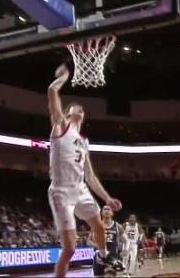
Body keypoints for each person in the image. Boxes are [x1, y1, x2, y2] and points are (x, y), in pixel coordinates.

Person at [47, 64, 123, 276]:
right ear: (66, 113)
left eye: (82, 108)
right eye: (74, 107)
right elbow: (52, 93)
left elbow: (90, 175)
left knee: (99, 227)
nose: (79, 108)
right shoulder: (61, 127)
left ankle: (103, 254)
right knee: (70, 248)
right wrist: (62, 78)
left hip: (80, 188)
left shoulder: (84, 141)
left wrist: (107, 199)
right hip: (61, 190)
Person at [88, 205, 125, 277]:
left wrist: (124, 249)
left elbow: (125, 241)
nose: (107, 211)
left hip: (112, 258)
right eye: (105, 209)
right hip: (98, 258)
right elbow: (88, 241)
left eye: (109, 209)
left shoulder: (118, 226)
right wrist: (98, 245)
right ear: (101, 213)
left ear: (112, 213)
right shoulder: (96, 226)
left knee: (109, 276)